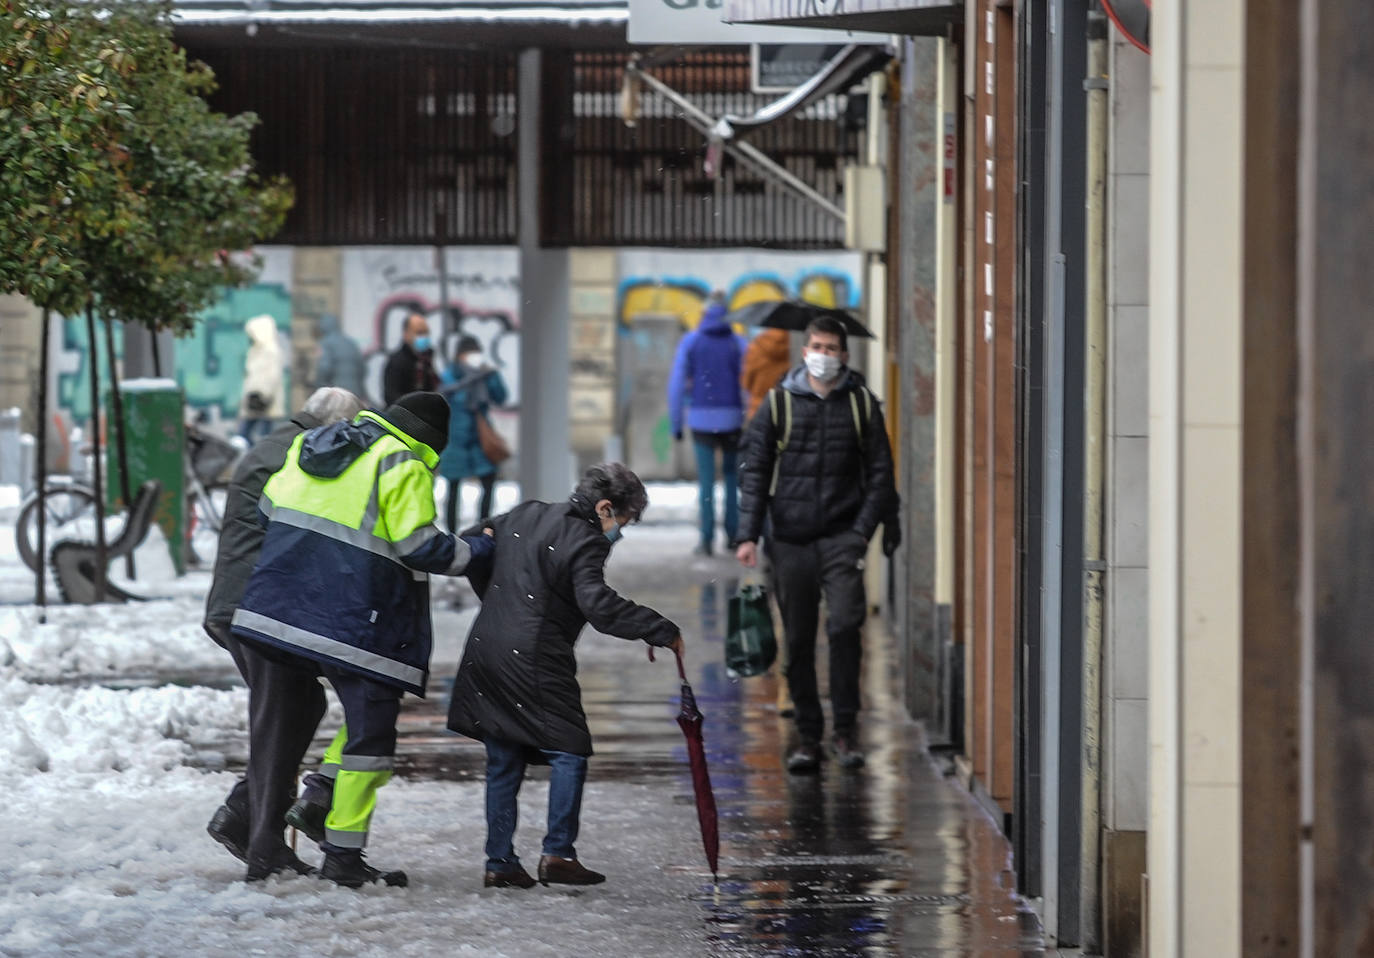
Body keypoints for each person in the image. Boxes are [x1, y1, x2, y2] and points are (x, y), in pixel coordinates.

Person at [231, 391, 494, 888]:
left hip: (280, 608)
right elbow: (421, 547)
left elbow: (267, 513)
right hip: (354, 622)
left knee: (342, 724)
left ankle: (316, 799)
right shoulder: (402, 461)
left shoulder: (310, 445)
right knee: (372, 732)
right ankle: (342, 856)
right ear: (431, 442)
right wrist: (479, 550)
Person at [447, 462, 684, 889]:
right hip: (535, 656)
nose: (621, 532)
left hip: (487, 645)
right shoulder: (586, 539)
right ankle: (559, 852)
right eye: (624, 520)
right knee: (569, 749)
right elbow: (598, 605)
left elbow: (471, 545)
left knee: (503, 759)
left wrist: (502, 600)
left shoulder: (525, 513)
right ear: (606, 507)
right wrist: (660, 629)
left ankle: (499, 861)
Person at [203, 387, 366, 881]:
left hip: (246, 602)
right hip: (257, 607)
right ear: (336, 425)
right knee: (280, 719)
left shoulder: (280, 443)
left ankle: (243, 815)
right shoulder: (302, 453)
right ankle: (263, 847)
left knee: (299, 708)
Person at [734, 316, 898, 774]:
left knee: (846, 628)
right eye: (817, 346)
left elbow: (882, 473)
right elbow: (756, 471)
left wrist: (862, 531)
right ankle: (809, 736)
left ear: (844, 355)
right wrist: (748, 534)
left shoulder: (862, 404)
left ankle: (845, 731)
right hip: (790, 540)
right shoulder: (780, 403)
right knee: (800, 641)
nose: (823, 355)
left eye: (831, 348)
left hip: (843, 537)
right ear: (805, 350)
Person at [667, 295, 745, 555]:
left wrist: (677, 423)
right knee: (733, 479)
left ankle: (707, 539)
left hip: (701, 419)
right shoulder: (736, 342)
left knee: (707, 482)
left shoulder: (692, 341)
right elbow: (746, 383)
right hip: (733, 419)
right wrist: (746, 417)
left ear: (705, 311)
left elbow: (677, 384)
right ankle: (734, 535)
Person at [438, 334, 509, 531]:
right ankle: (452, 532)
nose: (474, 357)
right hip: (456, 440)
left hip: (480, 439)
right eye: (470, 353)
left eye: (476, 353)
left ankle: (481, 528)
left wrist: (492, 377)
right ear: (460, 355)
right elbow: (445, 396)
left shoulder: (486, 375)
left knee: (489, 482)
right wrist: (469, 382)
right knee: (453, 489)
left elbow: (500, 397)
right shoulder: (451, 375)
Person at [239, 314, 285, 443]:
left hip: (264, 400)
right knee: (248, 435)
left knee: (263, 435)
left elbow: (272, 376)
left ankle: (259, 460)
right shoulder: (255, 350)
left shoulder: (271, 351)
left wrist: (263, 395)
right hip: (253, 399)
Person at [382, 311, 439, 405]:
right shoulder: (397, 362)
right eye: (419, 333)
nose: (424, 337)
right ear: (406, 334)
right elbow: (391, 396)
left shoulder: (427, 360)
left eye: (426, 332)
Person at [313, 313, 368, 402]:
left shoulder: (326, 343)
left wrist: (319, 387)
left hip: (337, 395)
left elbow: (324, 368)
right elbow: (363, 369)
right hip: (355, 394)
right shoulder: (351, 343)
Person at [741, 327, 791, 420]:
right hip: (783, 405)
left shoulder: (756, 347)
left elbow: (747, 381)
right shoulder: (790, 349)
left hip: (758, 405)